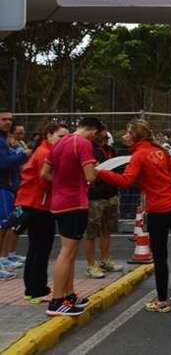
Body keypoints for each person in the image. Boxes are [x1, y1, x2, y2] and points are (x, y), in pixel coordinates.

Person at [97, 119, 171, 313]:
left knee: (160, 255)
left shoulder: (139, 155)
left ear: (135, 136)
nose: (125, 136)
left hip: (158, 210)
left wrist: (101, 172)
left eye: (128, 133)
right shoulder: (160, 150)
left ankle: (162, 301)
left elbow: (126, 181)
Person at [41, 117, 103, 316]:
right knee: (67, 252)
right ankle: (57, 300)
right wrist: (96, 170)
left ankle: (68, 295)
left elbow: (44, 173)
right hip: (75, 202)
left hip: (59, 200)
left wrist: (61, 182)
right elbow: (90, 176)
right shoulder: (83, 144)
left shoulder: (60, 143)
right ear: (92, 131)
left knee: (70, 252)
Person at [16, 123, 68, 301]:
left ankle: (33, 288)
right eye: (60, 136)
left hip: (35, 203)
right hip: (39, 205)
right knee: (41, 248)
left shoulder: (44, 151)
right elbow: (45, 180)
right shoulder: (45, 153)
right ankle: (37, 289)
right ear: (49, 135)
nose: (64, 140)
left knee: (36, 248)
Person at [84, 128, 123, 278]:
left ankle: (105, 259)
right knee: (91, 232)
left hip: (111, 194)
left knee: (107, 229)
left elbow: (119, 170)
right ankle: (91, 264)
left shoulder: (111, 150)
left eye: (106, 136)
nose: (104, 137)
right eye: (101, 135)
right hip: (94, 197)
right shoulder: (88, 150)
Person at [0, 111, 32, 281]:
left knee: (7, 225)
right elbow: (4, 162)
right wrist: (23, 155)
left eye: (10, 120)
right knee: (2, 225)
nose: (8, 122)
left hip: (9, 187)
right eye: (4, 119)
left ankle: (4, 258)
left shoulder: (4, 140)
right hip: (3, 188)